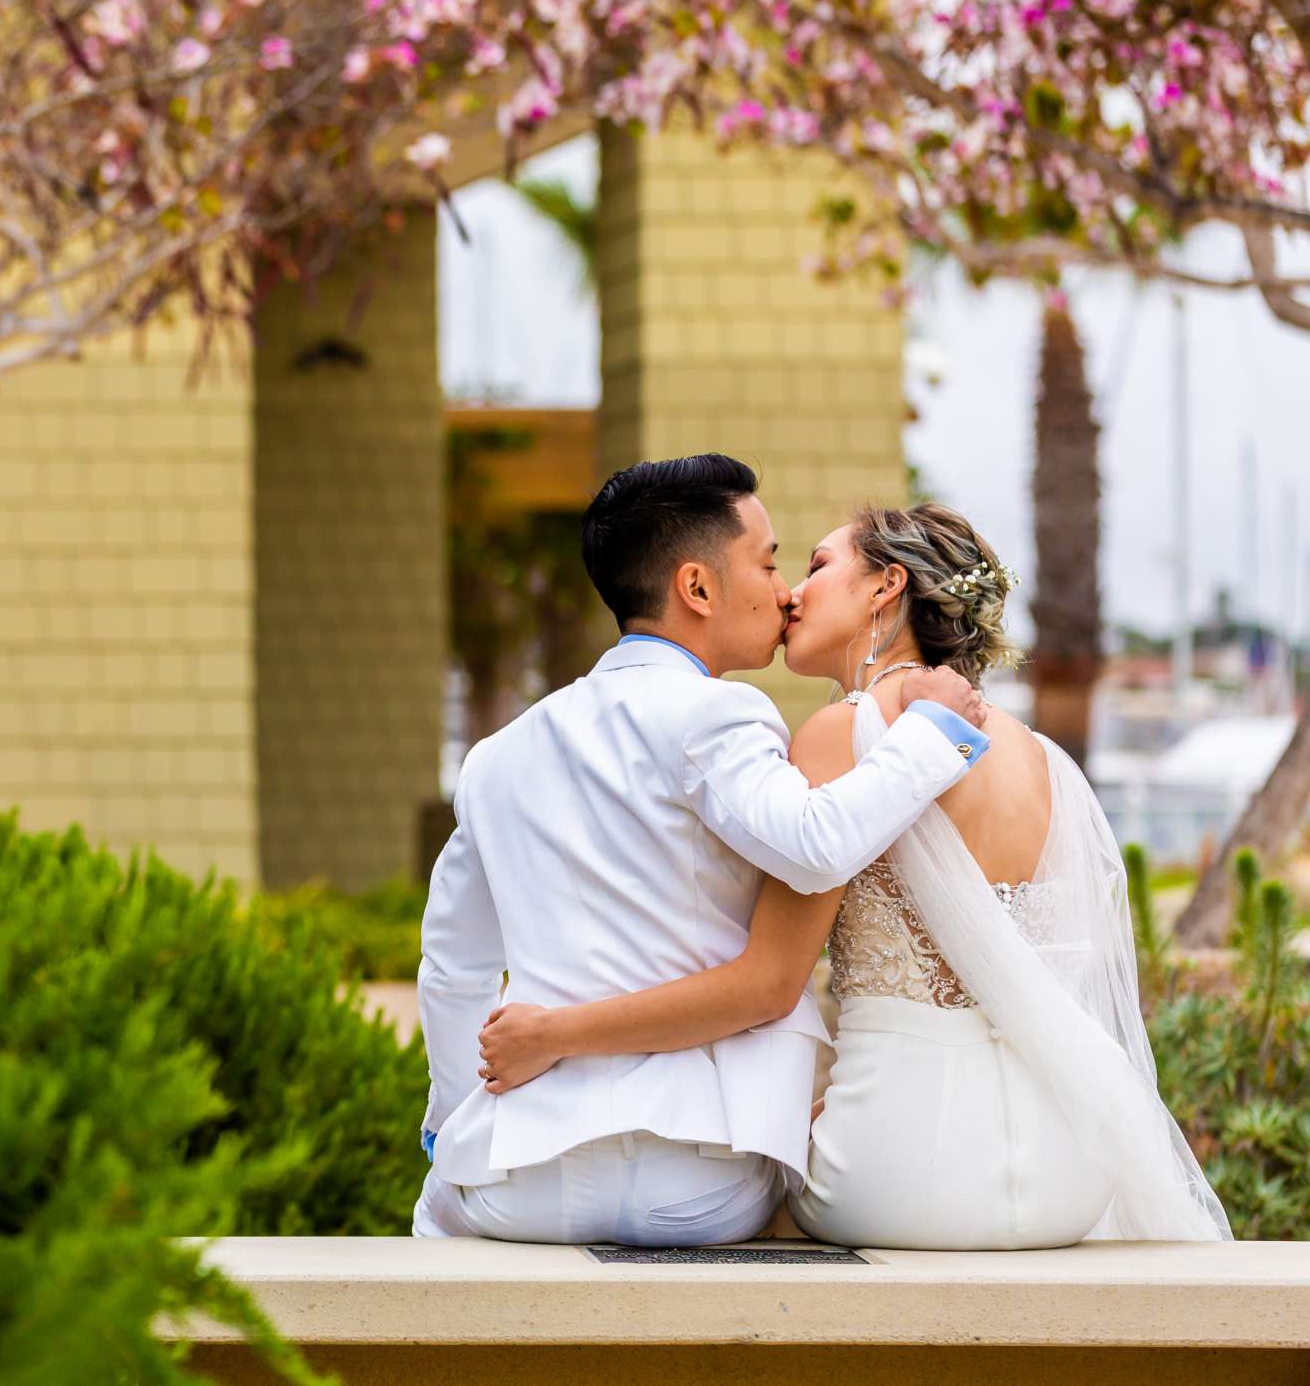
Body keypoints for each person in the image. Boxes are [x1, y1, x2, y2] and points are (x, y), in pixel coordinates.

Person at [472, 501, 1232, 1247]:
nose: (792, 592)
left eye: (816, 566)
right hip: (1073, 1163)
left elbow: (767, 986)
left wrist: (555, 1034)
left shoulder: (840, 734)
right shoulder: (1038, 755)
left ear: (885, 587)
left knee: (727, 1194)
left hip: (902, 1173)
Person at [413, 455, 994, 1246]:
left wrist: (450, 1123)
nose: (785, 589)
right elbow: (816, 845)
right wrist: (931, 736)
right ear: (697, 588)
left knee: (439, 1210)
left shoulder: (496, 757)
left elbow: (452, 969)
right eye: (769, 561)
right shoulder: (720, 716)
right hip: (701, 1178)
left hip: (523, 1176)